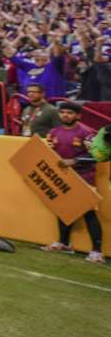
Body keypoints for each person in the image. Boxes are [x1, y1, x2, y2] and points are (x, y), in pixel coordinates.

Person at [40, 101, 104, 263]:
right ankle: (64, 243)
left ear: (78, 116)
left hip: (84, 178)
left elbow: (97, 156)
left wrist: (74, 161)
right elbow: (49, 153)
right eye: (63, 112)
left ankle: (97, 252)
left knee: (89, 213)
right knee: (63, 209)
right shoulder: (53, 132)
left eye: (69, 113)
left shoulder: (87, 133)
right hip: (63, 178)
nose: (65, 115)